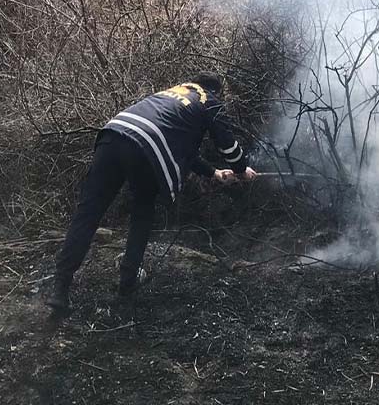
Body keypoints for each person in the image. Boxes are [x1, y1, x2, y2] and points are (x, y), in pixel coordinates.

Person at [47, 72, 257, 314]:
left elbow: (182, 149)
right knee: (143, 211)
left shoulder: (170, 94)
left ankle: (60, 288)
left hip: (112, 135)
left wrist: (214, 173)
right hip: (145, 148)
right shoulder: (209, 100)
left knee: (89, 212)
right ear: (216, 91)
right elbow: (227, 144)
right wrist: (241, 169)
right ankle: (128, 281)